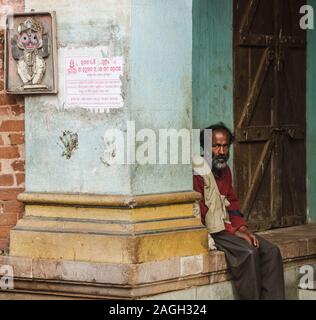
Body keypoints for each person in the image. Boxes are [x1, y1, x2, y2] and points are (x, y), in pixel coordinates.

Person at [193, 122, 285, 300]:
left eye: (225, 146)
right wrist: (234, 232)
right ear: (205, 147)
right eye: (216, 146)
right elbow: (203, 214)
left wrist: (242, 228)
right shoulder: (197, 172)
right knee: (248, 253)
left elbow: (232, 204)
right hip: (214, 230)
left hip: (228, 226)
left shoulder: (225, 170)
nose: (221, 151)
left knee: (272, 251)